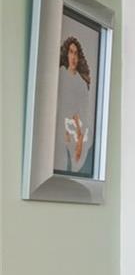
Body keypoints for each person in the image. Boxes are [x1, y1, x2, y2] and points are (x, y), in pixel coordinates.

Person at [55, 35, 95, 176]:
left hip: (78, 127)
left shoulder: (81, 83)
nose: (73, 57)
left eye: (76, 53)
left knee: (86, 147)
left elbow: (83, 112)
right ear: (66, 54)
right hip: (62, 124)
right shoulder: (59, 76)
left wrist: (79, 141)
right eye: (71, 52)